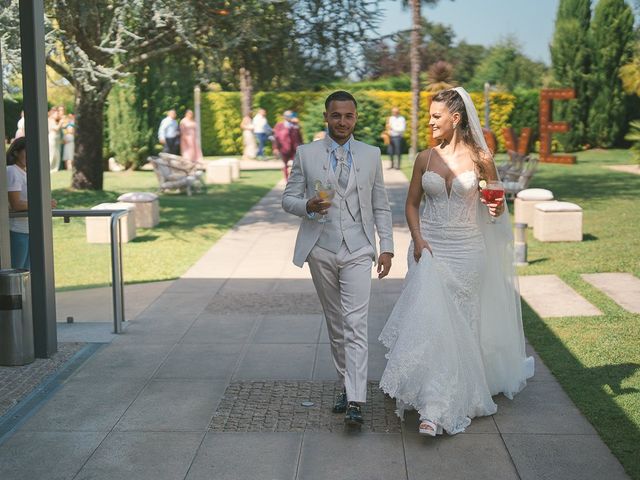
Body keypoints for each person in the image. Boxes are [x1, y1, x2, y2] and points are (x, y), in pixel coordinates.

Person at [379, 87, 534, 436]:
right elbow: (411, 205)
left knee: (459, 324)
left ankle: (448, 397)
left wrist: (495, 208)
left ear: (456, 118)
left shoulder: (481, 157)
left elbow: (497, 204)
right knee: (431, 321)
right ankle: (433, 405)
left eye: (436, 116)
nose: (430, 122)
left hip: (467, 250)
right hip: (429, 248)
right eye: (430, 116)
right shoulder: (424, 158)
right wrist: (418, 241)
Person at [282, 91, 394, 425]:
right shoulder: (306, 154)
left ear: (355, 118)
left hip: (359, 248)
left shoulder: (371, 154)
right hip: (321, 247)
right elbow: (288, 199)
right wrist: (307, 206)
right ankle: (348, 384)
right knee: (336, 324)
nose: (342, 122)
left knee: (356, 323)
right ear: (326, 117)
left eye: (348, 116)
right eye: (336, 116)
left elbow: (380, 205)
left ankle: (357, 400)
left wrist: (385, 246)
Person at [6, 137, 57, 269]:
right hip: (17, 230)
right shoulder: (12, 171)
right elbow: (16, 204)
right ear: (16, 152)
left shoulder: (25, 173)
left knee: (27, 274)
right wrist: (43, 204)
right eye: (26, 151)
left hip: (29, 229)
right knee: (17, 272)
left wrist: (45, 202)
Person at [273, 110, 303, 180]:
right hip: (284, 148)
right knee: (284, 165)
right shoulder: (279, 125)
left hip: (295, 148)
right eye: (288, 116)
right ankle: (287, 180)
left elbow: (299, 136)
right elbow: (275, 137)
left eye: (291, 116)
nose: (290, 117)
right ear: (284, 117)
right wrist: (275, 148)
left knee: (296, 165)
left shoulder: (295, 125)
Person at [47, 107, 62, 172]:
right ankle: (49, 168)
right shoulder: (50, 120)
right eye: (56, 113)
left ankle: (55, 168)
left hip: (57, 139)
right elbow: (56, 129)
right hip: (52, 138)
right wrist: (60, 123)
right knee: (52, 153)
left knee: (57, 153)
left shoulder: (55, 121)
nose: (57, 115)